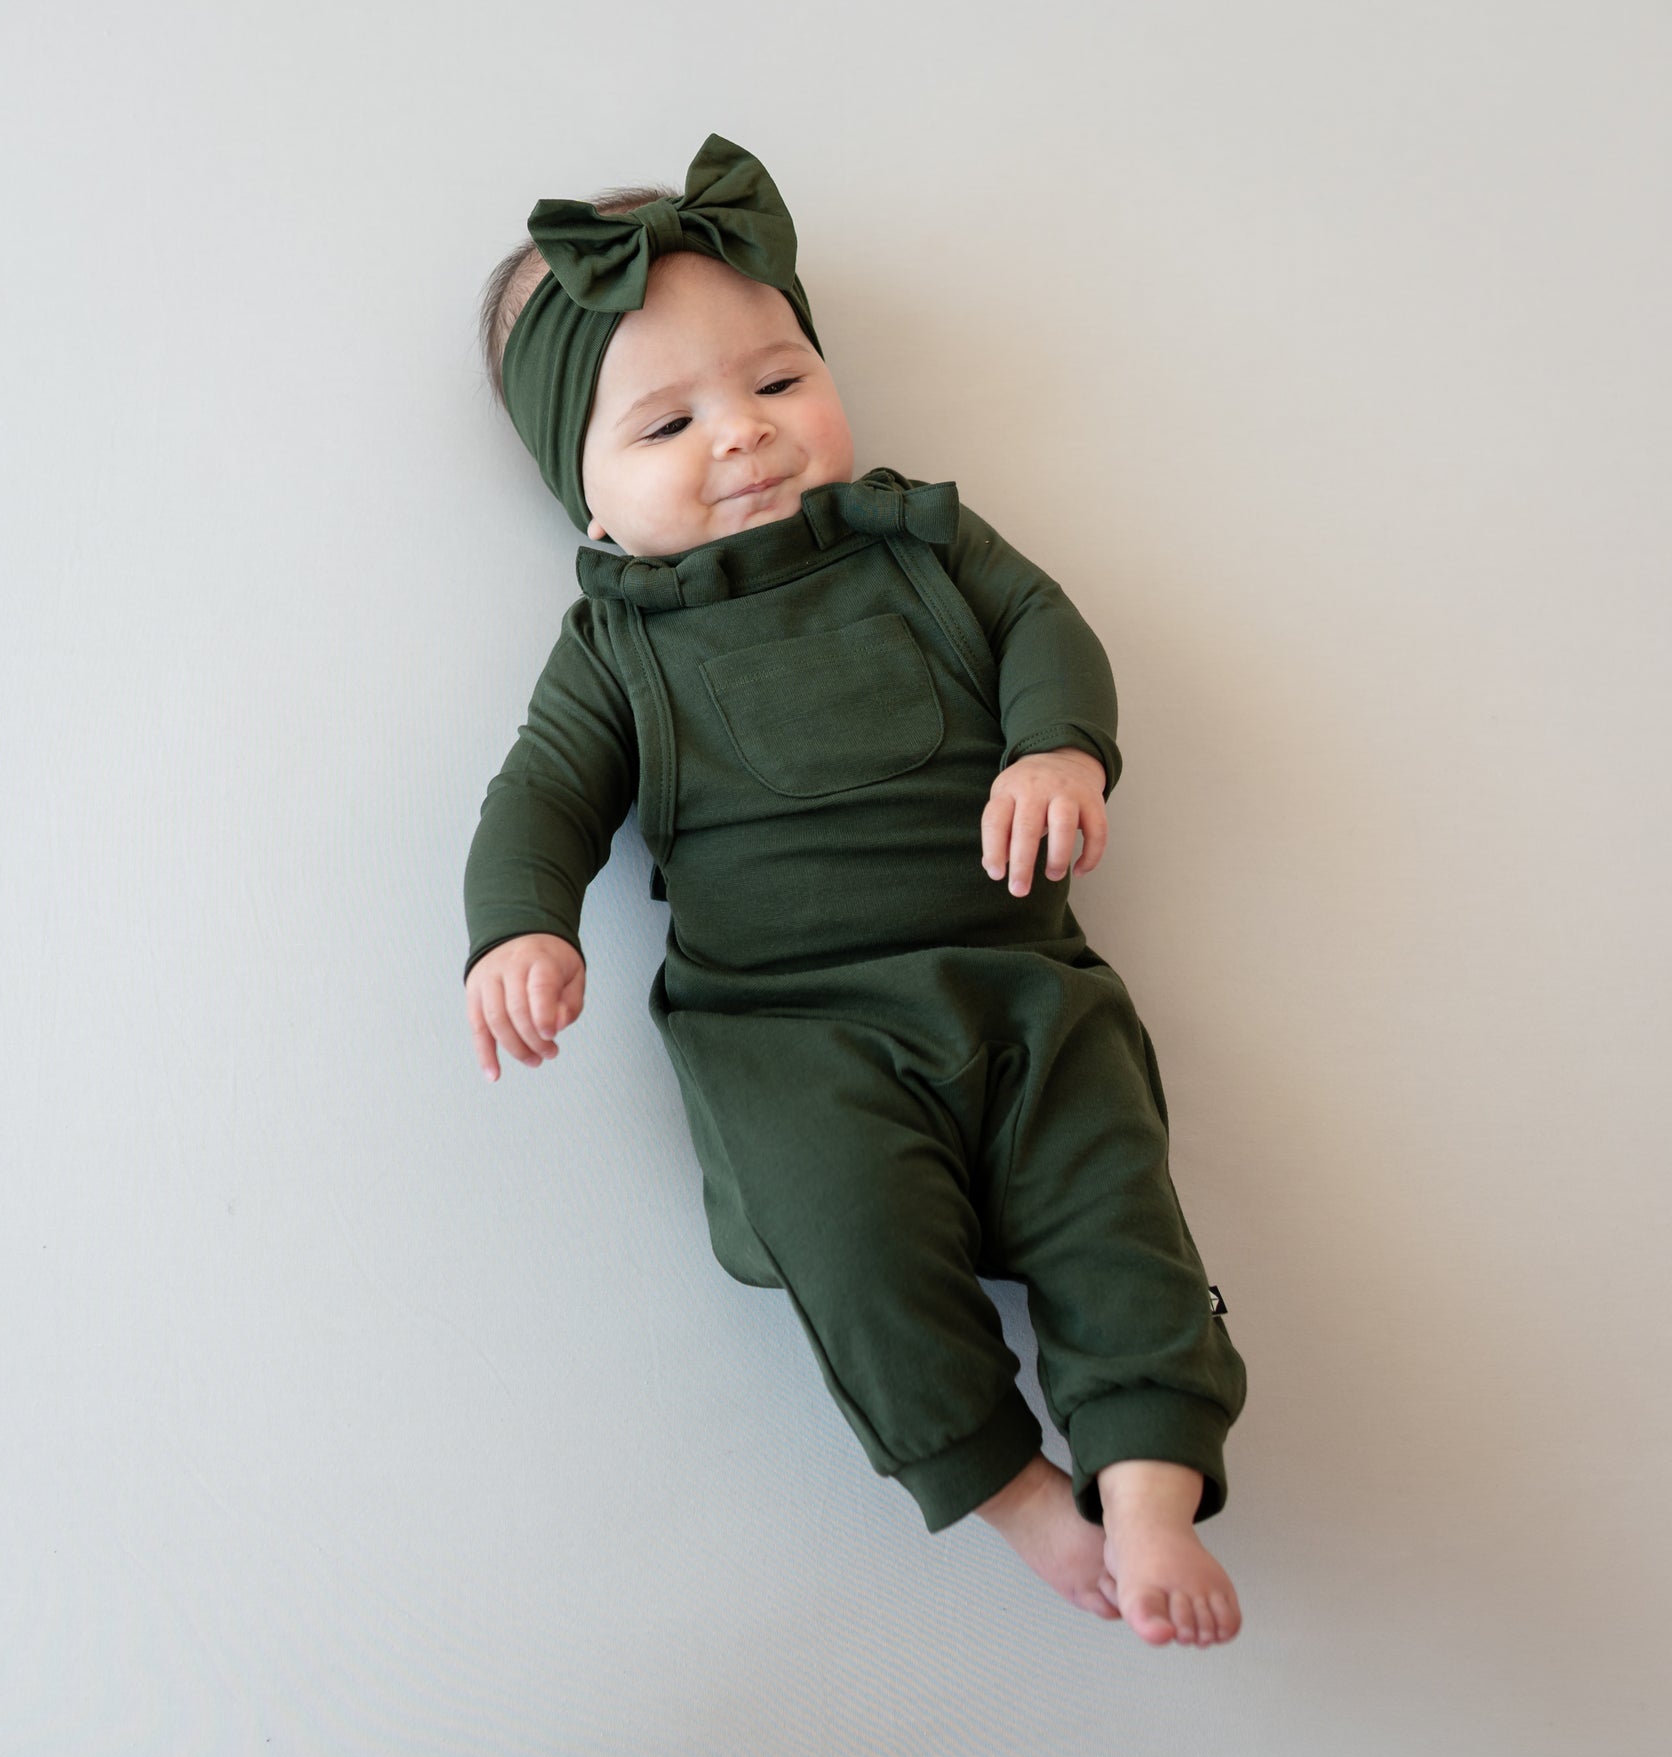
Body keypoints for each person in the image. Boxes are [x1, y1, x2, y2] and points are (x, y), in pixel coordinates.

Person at [462, 134, 1247, 1647]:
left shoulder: (924, 545)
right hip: (791, 1035)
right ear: (588, 495)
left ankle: (1153, 1488)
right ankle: (1013, 1491)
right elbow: (540, 796)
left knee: (1116, 1202)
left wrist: (1060, 754)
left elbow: (1045, 627)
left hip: (1018, 979)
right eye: (668, 422)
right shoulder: (618, 649)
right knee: (849, 1240)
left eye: (776, 381)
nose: (745, 437)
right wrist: (521, 924)